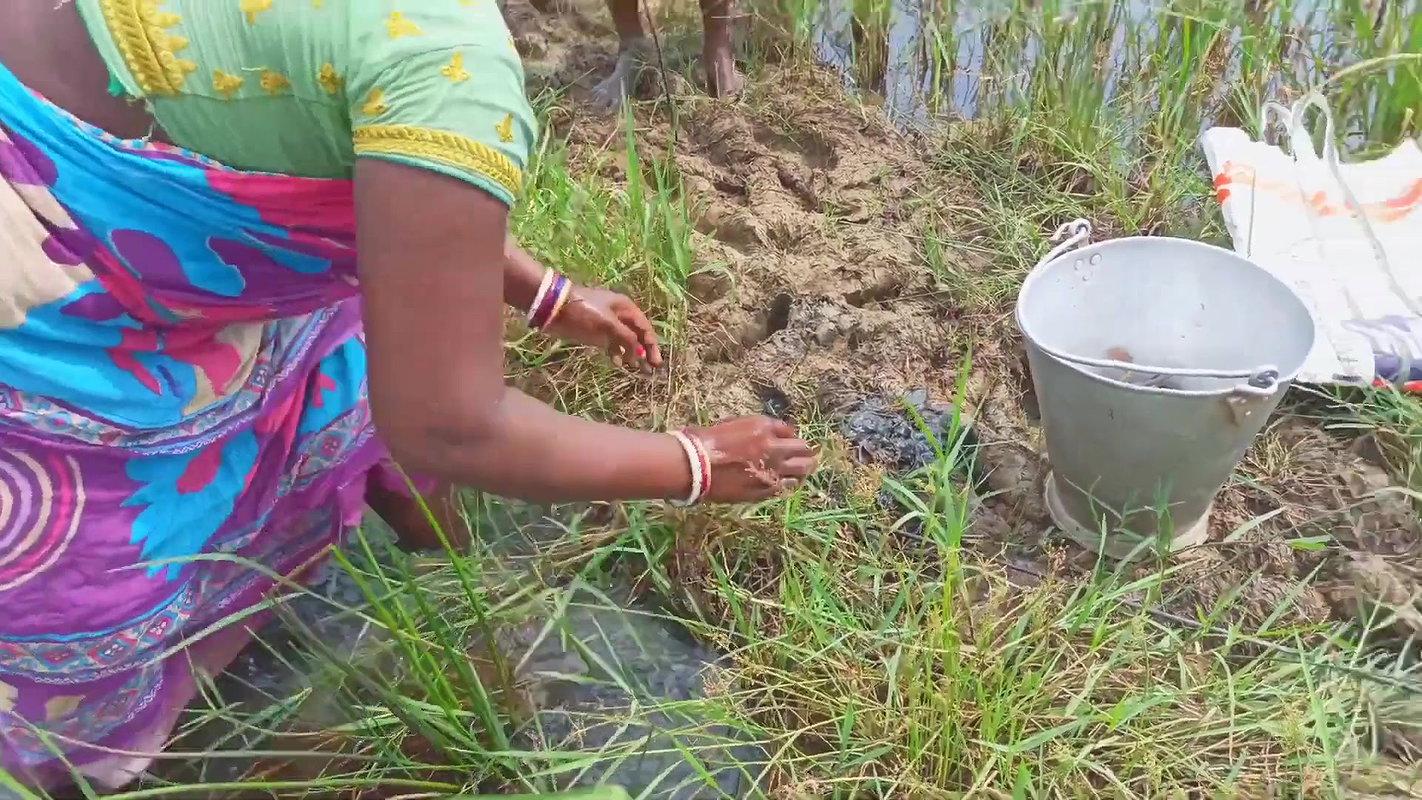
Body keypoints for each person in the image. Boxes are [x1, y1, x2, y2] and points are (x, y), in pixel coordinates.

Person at [0, 0, 815, 793]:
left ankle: (440, 565)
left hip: (131, 197)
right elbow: (451, 428)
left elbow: (365, 155)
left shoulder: (416, 59)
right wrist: (695, 462)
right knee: (103, 568)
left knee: (343, 370)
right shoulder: (447, 56)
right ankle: (96, 762)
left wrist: (546, 293)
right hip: (49, 301)